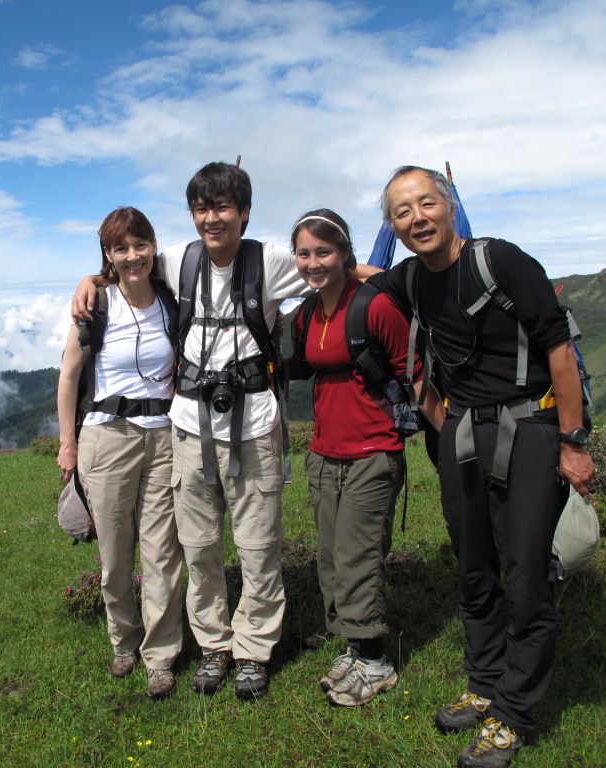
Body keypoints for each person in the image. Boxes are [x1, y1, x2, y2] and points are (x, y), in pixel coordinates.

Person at [73, 162, 379, 700]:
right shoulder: (179, 261)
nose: (211, 219)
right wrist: (90, 279)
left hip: (256, 425)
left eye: (221, 208)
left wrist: (402, 271)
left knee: (259, 546)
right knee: (199, 545)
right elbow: (127, 267)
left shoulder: (272, 262)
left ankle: (253, 650)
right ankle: (214, 645)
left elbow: (341, 267)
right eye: (201, 208)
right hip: (189, 427)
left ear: (243, 212)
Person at [369, 167, 596, 768]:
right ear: (391, 224)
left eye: (425, 204)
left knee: (524, 574)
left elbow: (558, 349)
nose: (416, 219)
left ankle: (515, 713)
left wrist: (573, 442)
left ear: (447, 205)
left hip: (532, 429)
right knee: (473, 566)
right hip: (463, 435)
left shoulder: (503, 262)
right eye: (400, 212)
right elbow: (356, 277)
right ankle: (486, 679)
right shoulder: (410, 279)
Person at [288, 209, 445, 707]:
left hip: (373, 449)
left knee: (359, 556)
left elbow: (414, 374)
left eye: (324, 252)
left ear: (345, 254)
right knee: (333, 558)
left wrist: (452, 437)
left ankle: (375, 660)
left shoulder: (373, 306)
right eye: (305, 253)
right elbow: (291, 365)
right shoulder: (307, 314)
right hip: (323, 451)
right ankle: (355, 647)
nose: (314, 263)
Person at [56, 207, 184, 699]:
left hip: (164, 436)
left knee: (163, 553)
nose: (132, 256)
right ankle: (123, 641)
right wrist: (68, 443)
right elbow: (69, 377)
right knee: (114, 554)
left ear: (153, 246)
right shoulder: (96, 305)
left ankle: (160, 655)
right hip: (106, 436)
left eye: (140, 245)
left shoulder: (171, 298)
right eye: (120, 248)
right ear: (107, 255)